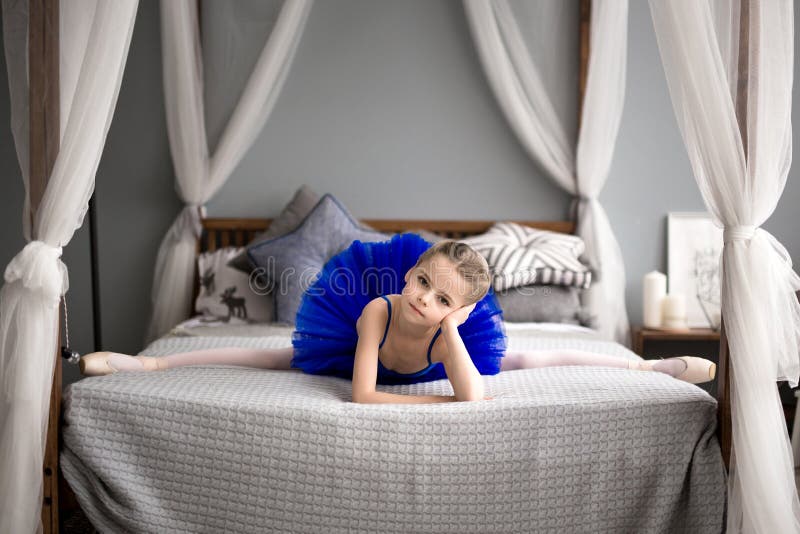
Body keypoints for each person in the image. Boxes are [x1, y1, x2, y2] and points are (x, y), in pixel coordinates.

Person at [80, 234, 716, 403]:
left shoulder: (451, 328)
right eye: (420, 284)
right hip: (363, 356)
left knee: (533, 358)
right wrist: (433, 405)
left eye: (442, 299)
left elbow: (472, 396)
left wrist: (452, 337)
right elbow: (362, 395)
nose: (423, 300)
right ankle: (152, 360)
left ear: (461, 311)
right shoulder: (380, 309)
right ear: (407, 275)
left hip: (440, 354)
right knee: (272, 356)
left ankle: (651, 365)